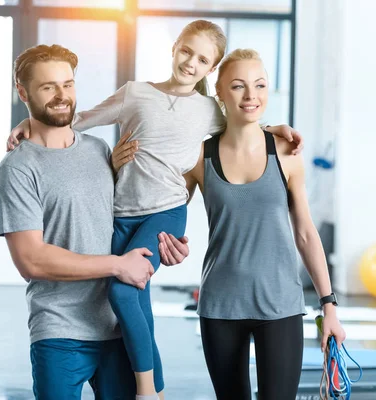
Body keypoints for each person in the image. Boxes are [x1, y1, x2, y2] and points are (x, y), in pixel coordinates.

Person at [6, 20, 303, 400]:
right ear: (174, 47)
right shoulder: (135, 94)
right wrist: (24, 123)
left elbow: (244, 120)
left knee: (123, 292)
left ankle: (150, 389)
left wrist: (279, 128)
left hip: (165, 211)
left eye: (202, 59)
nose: (190, 63)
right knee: (135, 293)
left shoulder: (208, 109)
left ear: (211, 70)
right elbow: (75, 119)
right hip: (123, 211)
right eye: (186, 51)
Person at [114, 48, 345, 400]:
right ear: (219, 93)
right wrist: (170, 245)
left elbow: (305, 233)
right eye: (238, 86)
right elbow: (162, 208)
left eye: (260, 85)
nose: (251, 95)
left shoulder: (286, 152)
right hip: (221, 305)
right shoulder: (197, 157)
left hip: (280, 305)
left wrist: (329, 307)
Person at [0, 44, 189, 400]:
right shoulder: (18, 169)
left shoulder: (99, 150)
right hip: (59, 332)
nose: (61, 95)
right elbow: (30, 260)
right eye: (48, 87)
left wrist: (166, 246)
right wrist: (118, 266)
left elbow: (128, 222)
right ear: (22, 92)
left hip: (118, 330)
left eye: (67, 84)